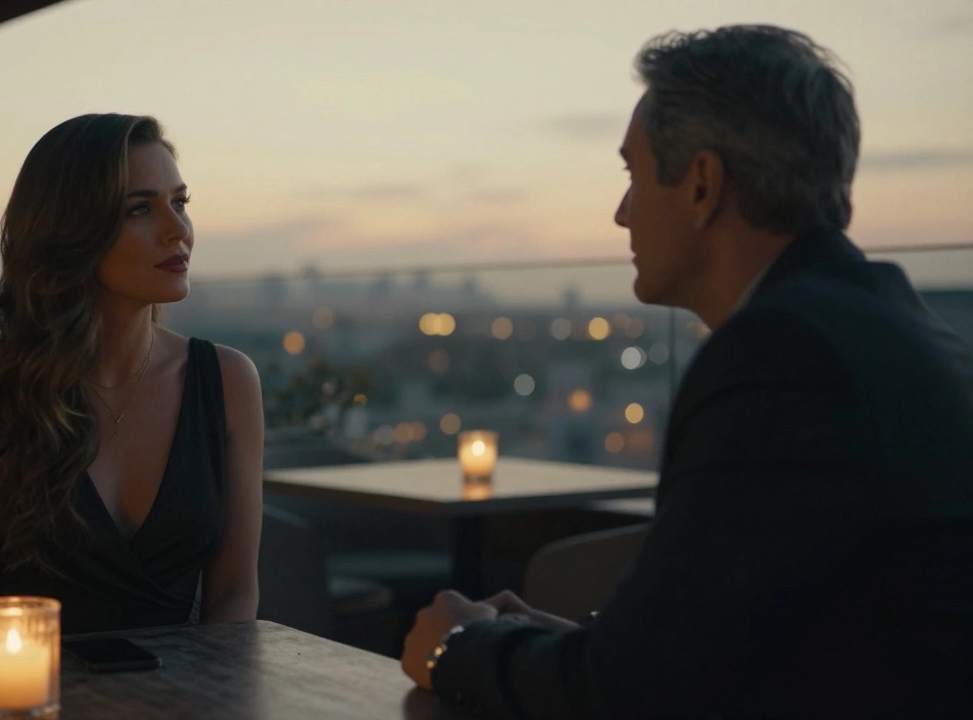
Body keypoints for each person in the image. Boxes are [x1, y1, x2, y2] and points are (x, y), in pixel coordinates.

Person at [402, 24, 973, 718]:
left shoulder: (783, 358)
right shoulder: (897, 330)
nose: (621, 213)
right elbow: (722, 657)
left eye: (632, 175)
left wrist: (456, 648)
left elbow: (629, 697)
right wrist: (560, 645)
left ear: (702, 185)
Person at [0, 114, 265, 644]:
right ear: (70, 230)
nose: (178, 230)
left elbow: (235, 598)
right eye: (140, 209)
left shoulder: (228, 382)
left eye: (180, 202)